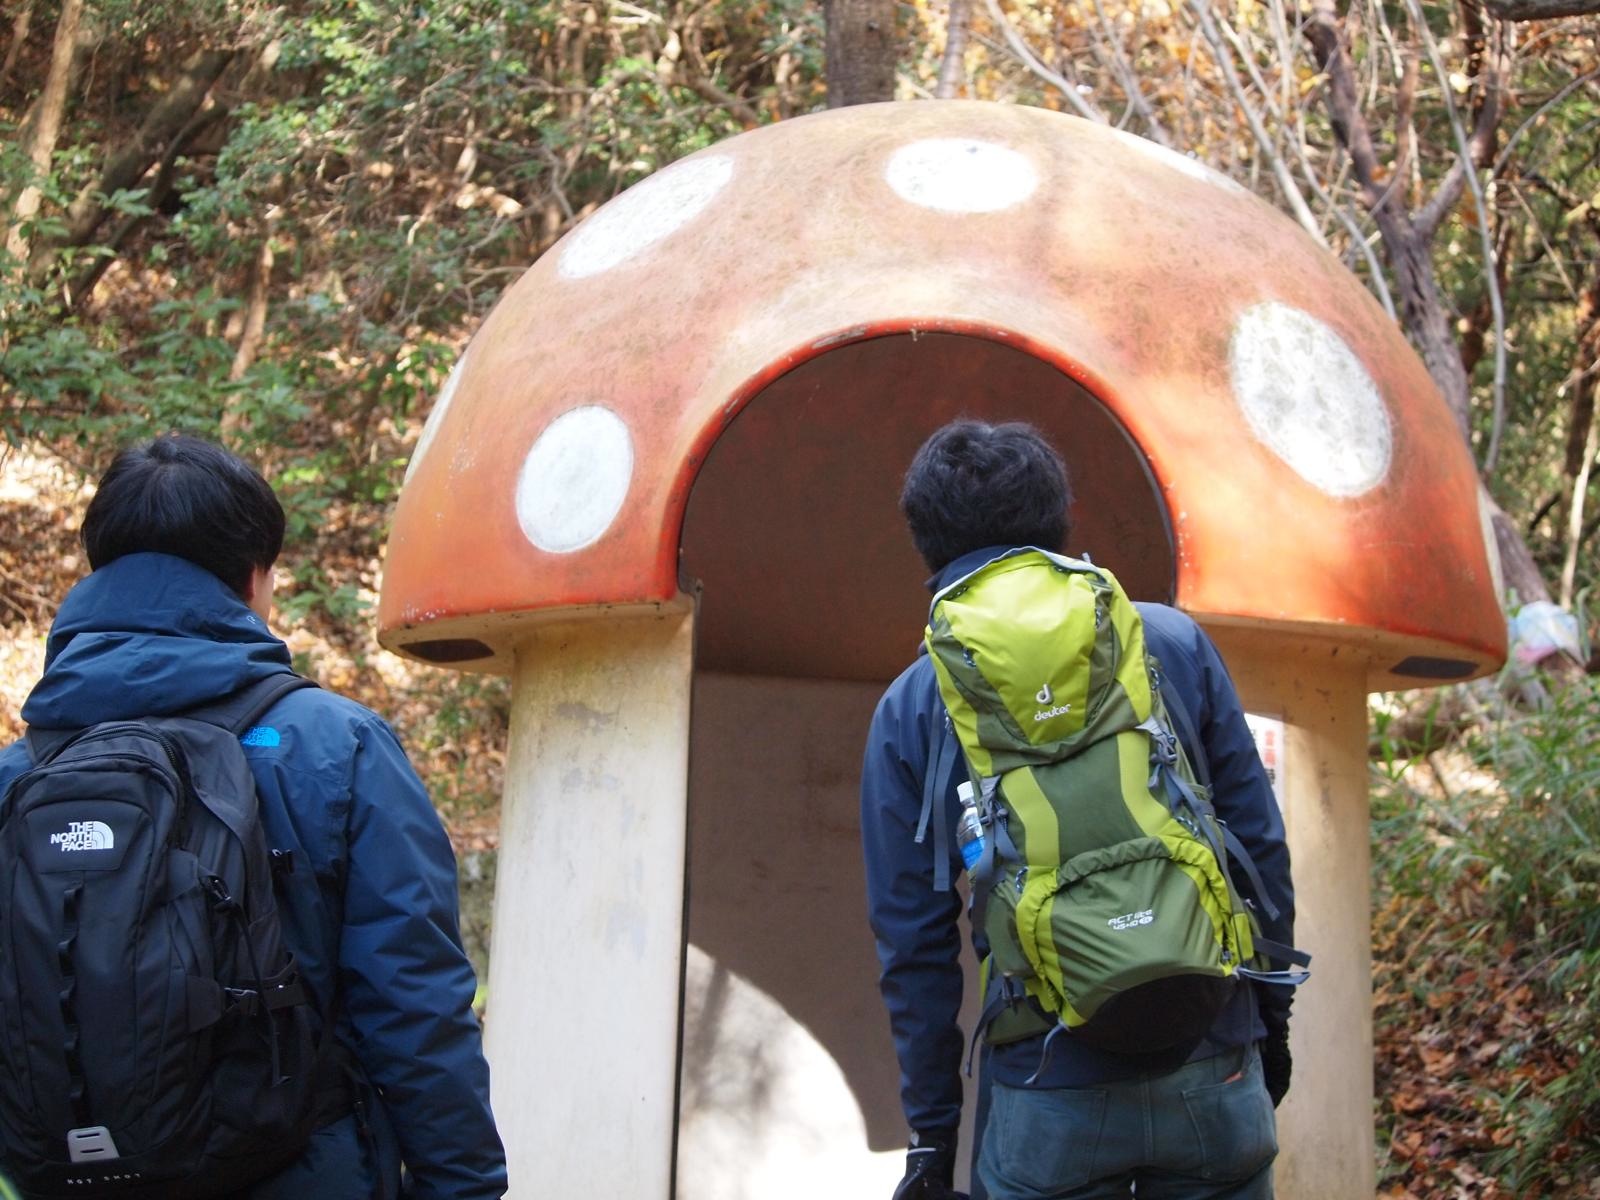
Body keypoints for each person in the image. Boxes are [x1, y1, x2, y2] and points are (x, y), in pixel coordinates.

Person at [0, 434, 508, 1200]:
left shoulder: (20, 773)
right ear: (254, 578)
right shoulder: (336, 747)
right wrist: (464, 1187)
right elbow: (414, 1005)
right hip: (302, 1169)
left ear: (98, 569)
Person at [861, 420, 1296, 1200]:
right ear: (1060, 519)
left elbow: (914, 945)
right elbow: (1258, 849)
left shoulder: (913, 706)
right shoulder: (1170, 642)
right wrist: (1269, 1023)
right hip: (1212, 1058)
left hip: (1045, 1082)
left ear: (926, 545)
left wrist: (933, 1137)